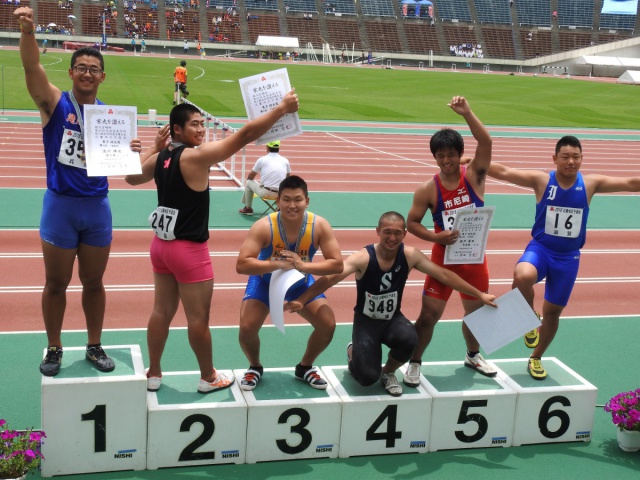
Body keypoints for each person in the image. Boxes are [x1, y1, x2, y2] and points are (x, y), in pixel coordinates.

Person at [125, 91, 300, 393]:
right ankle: (208, 377)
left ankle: (154, 373)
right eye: (194, 124)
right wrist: (281, 109)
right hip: (189, 251)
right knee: (198, 319)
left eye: (202, 124)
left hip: (161, 248)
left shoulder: (162, 157)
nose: (201, 130)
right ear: (177, 129)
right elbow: (244, 135)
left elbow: (131, 178)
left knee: (161, 312)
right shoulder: (196, 156)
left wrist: (153, 147)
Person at [14, 6, 141, 376]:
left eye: (93, 68)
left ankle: (94, 345)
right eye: (81, 67)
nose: (87, 72)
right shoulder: (56, 104)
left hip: (97, 207)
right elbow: (31, 68)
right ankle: (54, 347)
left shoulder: (111, 118)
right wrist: (27, 32)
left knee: (94, 282)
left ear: (102, 76)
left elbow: (128, 171)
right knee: (56, 283)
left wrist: (132, 151)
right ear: (70, 73)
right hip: (60, 207)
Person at [284, 212, 496, 396]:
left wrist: (479, 294)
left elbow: (444, 275)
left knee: (410, 339)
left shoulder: (410, 255)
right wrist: (302, 300)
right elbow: (331, 278)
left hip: (393, 319)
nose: (392, 238)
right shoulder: (363, 257)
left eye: (397, 233)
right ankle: (354, 352)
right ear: (377, 231)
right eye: (387, 232)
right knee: (366, 378)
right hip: (366, 322)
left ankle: (388, 372)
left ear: (404, 234)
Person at [486, 135, 640, 380]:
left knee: (553, 314)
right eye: (565, 157)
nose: (571, 162)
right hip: (541, 249)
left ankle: (536, 357)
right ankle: (528, 316)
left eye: (576, 157)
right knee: (521, 276)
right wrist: (474, 161)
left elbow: (631, 183)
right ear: (554, 158)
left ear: (582, 159)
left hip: (568, 259)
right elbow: (505, 172)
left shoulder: (590, 184)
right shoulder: (541, 180)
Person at [405, 96, 495, 387]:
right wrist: (436, 236)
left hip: (474, 259)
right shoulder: (427, 189)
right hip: (442, 260)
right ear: (434, 157)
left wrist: (467, 113)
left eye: (451, 155)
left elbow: (486, 142)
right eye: (440, 156)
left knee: (476, 314)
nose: (446, 161)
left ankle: (473, 355)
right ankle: (415, 361)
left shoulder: (475, 176)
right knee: (429, 315)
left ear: (460, 154)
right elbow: (411, 223)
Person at [236, 175, 343, 391]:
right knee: (247, 327)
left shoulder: (319, 225)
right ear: (278, 201)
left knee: (327, 324)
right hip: (265, 282)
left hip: (300, 283)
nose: (292, 205)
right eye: (286, 199)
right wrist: (276, 264)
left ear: (307, 201)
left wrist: (303, 266)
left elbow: (337, 265)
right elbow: (242, 265)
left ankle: (305, 367)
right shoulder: (263, 226)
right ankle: (255, 367)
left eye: (297, 199)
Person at [239, 140, 290, 215]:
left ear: (267, 147)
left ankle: (248, 208)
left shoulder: (262, 160)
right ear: (279, 148)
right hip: (281, 195)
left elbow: (250, 177)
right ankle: (279, 207)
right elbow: (288, 179)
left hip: (266, 193)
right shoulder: (285, 161)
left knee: (248, 182)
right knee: (286, 186)